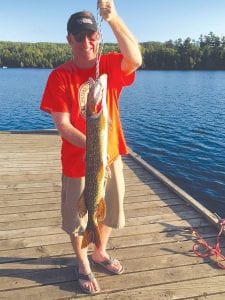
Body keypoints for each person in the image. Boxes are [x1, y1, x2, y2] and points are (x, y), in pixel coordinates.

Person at [40, 0, 142, 295]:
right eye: (79, 36)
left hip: (110, 159)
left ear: (97, 36)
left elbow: (134, 58)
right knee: (77, 219)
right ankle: (83, 262)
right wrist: (93, 143)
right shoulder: (59, 76)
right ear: (69, 39)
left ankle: (100, 251)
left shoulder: (108, 65)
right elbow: (63, 125)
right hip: (77, 163)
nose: (86, 41)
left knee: (110, 211)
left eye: (91, 35)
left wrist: (113, 17)